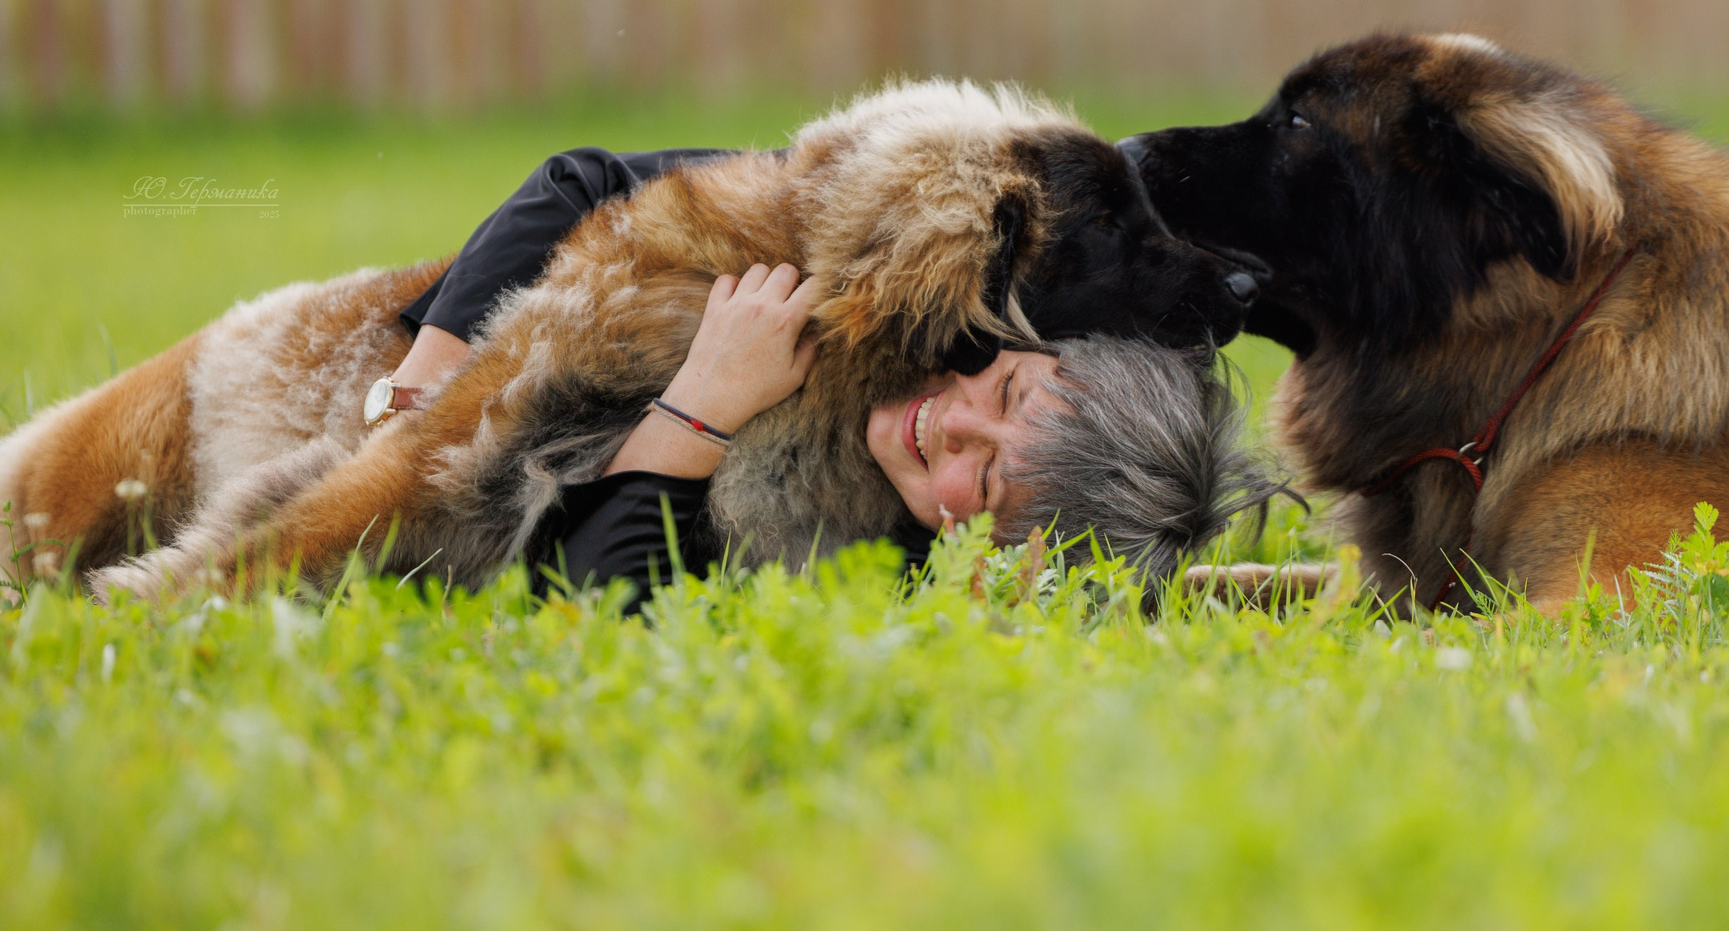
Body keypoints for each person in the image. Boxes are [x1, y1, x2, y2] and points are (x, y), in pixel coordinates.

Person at [383, 148, 1277, 608]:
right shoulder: (898, 277)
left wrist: (704, 403)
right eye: (1008, 395)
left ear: (1006, 555)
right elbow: (585, 181)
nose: (956, 425)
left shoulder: (877, 576)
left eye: (995, 478)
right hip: (457, 340)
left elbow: (584, 604)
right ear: (1039, 343)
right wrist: (421, 384)